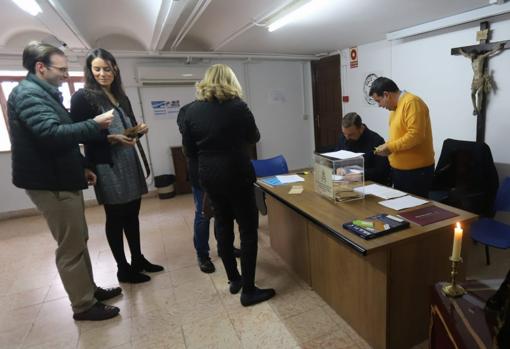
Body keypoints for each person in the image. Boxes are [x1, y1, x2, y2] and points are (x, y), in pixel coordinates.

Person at [8, 41, 121, 321]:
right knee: (70, 246)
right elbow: (51, 134)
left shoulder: (45, 93)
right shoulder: (28, 95)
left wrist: (81, 166)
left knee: (78, 238)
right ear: (40, 67)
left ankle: (88, 290)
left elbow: (62, 138)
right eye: (61, 69)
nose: (66, 75)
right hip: (50, 182)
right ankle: (83, 305)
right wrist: (95, 124)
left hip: (61, 175)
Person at [179, 64, 275, 306]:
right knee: (248, 231)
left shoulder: (190, 111)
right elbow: (254, 137)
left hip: (209, 176)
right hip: (238, 173)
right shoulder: (238, 107)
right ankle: (249, 291)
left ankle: (234, 280)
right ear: (231, 82)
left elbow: (189, 151)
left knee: (222, 226)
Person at [70, 48, 163, 284]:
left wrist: (137, 131)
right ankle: (123, 268)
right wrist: (112, 139)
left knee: (133, 213)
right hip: (107, 163)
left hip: (129, 160)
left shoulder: (121, 95)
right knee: (116, 216)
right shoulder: (83, 97)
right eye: (97, 69)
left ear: (115, 69)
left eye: (107, 68)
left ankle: (138, 259)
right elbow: (79, 135)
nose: (103, 73)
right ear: (90, 71)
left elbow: (127, 131)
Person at [177, 104, 242, 274]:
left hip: (224, 170)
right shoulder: (188, 111)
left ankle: (224, 248)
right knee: (203, 213)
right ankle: (202, 255)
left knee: (223, 211)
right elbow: (188, 148)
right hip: (201, 171)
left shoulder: (223, 107)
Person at [370, 77, 434, 198]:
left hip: (415, 172)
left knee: (414, 212)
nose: (379, 105)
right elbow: (398, 136)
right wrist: (386, 147)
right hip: (400, 171)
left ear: (386, 95)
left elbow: (415, 135)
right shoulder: (395, 108)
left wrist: (389, 147)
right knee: (402, 212)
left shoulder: (412, 102)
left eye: (378, 101)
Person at [336, 112, 390, 184]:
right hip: (347, 182)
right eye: (344, 133)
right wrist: (338, 168)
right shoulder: (343, 137)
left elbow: (382, 170)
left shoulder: (376, 141)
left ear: (361, 129)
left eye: (351, 134)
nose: (346, 138)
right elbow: (336, 157)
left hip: (370, 184)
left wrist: (362, 175)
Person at [459, 43, 504, 116]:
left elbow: (491, 52)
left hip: (481, 79)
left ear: (475, 54)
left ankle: (478, 108)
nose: (471, 56)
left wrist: (497, 48)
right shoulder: (471, 58)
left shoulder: (481, 57)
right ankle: (475, 109)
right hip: (474, 80)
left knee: (479, 93)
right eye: (471, 55)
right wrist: (460, 51)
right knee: (472, 94)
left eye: (473, 54)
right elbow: (465, 55)